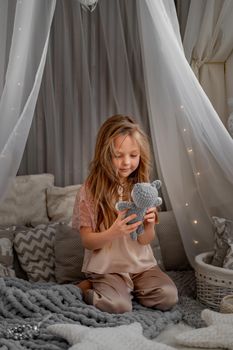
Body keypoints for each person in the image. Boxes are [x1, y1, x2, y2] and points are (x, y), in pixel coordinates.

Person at [72, 115, 178, 314]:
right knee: (118, 306)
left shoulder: (143, 188)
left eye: (133, 155)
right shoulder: (90, 191)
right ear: (104, 154)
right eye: (118, 155)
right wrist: (114, 232)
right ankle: (94, 288)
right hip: (108, 269)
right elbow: (87, 241)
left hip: (141, 267)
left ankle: (130, 289)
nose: (126, 163)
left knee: (168, 296)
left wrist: (149, 225)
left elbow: (145, 240)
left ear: (141, 155)